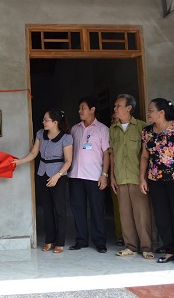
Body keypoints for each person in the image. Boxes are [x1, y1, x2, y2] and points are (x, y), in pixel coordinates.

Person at [139, 98, 174, 267]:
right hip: (155, 179)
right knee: (162, 216)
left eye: (150, 110)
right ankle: (169, 249)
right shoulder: (147, 131)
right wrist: (142, 177)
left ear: (161, 112)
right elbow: (144, 156)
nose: (148, 113)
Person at [14, 109, 73, 253]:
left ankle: (60, 242)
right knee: (47, 209)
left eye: (46, 120)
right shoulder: (40, 133)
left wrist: (57, 176)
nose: (43, 122)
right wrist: (18, 162)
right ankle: (49, 240)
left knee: (59, 209)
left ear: (55, 122)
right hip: (42, 173)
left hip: (58, 175)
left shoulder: (66, 138)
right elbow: (34, 153)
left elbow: (68, 161)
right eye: (44, 120)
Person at [110, 94, 152, 259]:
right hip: (121, 177)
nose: (115, 109)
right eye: (114, 106)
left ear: (129, 108)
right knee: (125, 214)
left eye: (118, 105)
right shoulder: (113, 129)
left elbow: (146, 155)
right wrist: (112, 176)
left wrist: (144, 177)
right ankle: (131, 246)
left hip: (137, 177)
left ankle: (147, 247)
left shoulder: (142, 127)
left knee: (142, 214)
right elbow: (112, 154)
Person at [68, 96, 110, 253]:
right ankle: (81, 240)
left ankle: (99, 241)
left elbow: (107, 153)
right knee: (77, 209)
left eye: (83, 108)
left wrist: (104, 174)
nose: (80, 111)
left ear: (92, 110)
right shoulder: (74, 129)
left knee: (97, 210)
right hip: (75, 176)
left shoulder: (102, 129)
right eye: (79, 108)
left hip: (94, 176)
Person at [110, 112, 124, 247]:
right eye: (112, 119)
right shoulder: (110, 133)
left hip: (131, 176)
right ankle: (120, 235)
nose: (114, 121)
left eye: (116, 119)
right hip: (115, 176)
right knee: (118, 208)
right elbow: (110, 156)